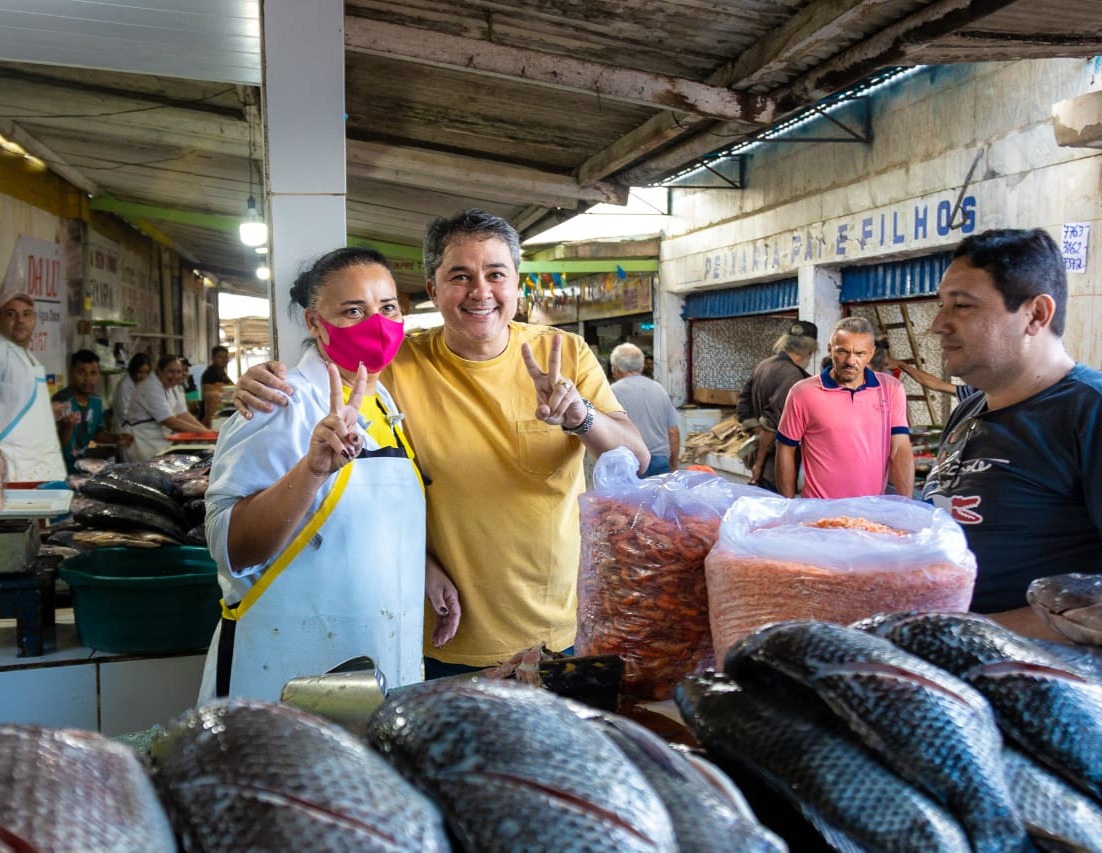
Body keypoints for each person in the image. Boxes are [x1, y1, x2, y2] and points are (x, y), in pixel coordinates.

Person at [232, 209, 649, 679]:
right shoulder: (396, 362)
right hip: (435, 631)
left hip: (554, 628)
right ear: (432, 290)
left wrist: (580, 416)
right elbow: (330, 379)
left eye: (496, 274)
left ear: (517, 284)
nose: (480, 292)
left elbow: (636, 457)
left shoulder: (564, 353)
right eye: (460, 276)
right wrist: (262, 380)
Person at [199, 248, 428, 702]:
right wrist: (312, 470)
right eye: (353, 311)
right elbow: (231, 548)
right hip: (285, 672)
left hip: (380, 665)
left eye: (387, 308)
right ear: (314, 323)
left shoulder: (385, 404)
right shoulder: (280, 402)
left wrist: (428, 569)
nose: (377, 323)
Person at [922, 228, 1102, 634]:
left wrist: (969, 633)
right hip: (944, 660)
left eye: (962, 306)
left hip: (1041, 671)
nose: (938, 324)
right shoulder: (969, 410)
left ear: (1036, 314)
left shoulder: (1089, 411)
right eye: (942, 305)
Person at [776, 316, 914, 499]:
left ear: (871, 354)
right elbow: (786, 448)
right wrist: (788, 504)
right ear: (830, 350)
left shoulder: (891, 389)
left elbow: (900, 449)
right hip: (820, 510)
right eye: (843, 352)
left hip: (871, 510)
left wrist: (907, 504)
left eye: (860, 353)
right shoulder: (803, 392)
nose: (850, 361)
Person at [736, 320, 818, 492]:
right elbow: (771, 423)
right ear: (810, 350)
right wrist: (759, 465)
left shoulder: (764, 365)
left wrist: (756, 434)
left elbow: (743, 406)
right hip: (776, 464)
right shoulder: (793, 375)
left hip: (763, 456)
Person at [0, 291, 66, 483]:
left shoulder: (27, 356)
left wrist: (44, 411)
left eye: (26, 314)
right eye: (11, 314)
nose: (20, 320)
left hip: (40, 466)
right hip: (16, 467)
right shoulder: (2, 351)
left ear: (35, 319)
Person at [51, 349, 132, 472]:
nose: (88, 379)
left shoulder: (96, 401)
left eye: (93, 373)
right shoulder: (61, 401)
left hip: (84, 466)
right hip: (61, 468)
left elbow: (96, 433)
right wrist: (67, 427)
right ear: (72, 372)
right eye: (81, 373)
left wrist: (115, 438)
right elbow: (55, 442)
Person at [609, 342, 680, 477]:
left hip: (628, 462)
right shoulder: (659, 389)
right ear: (641, 366)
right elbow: (673, 430)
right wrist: (674, 463)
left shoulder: (611, 392)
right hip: (660, 462)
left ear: (616, 368)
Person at [121, 354, 208, 462]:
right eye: (170, 371)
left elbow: (182, 413)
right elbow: (170, 422)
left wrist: (206, 432)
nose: (175, 376)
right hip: (143, 441)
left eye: (178, 372)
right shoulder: (150, 388)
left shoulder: (172, 386)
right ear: (159, 371)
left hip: (158, 441)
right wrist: (202, 433)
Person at [885, 355, 977, 401]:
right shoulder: (977, 393)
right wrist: (901, 364)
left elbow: (937, 385)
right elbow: (937, 385)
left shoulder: (979, 396)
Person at [112, 353, 152, 433]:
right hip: (126, 427)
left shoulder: (144, 383)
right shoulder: (124, 385)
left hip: (140, 426)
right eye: (140, 372)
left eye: (146, 372)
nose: (143, 376)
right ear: (133, 370)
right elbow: (124, 413)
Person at [200, 345, 234, 427]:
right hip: (210, 414)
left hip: (223, 409)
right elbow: (209, 394)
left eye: (226, 357)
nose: (224, 360)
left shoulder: (223, 375)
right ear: (213, 358)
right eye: (220, 357)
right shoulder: (209, 374)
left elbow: (233, 388)